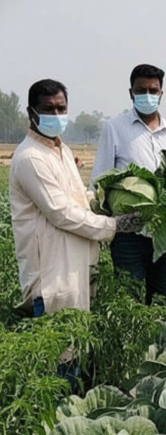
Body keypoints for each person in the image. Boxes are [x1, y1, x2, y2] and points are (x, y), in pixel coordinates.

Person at [10, 79, 141, 387]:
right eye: (48, 109)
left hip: (75, 269)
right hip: (52, 275)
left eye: (61, 108)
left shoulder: (62, 151)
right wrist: (114, 226)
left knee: (75, 351)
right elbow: (61, 213)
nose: (57, 114)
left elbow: (77, 199)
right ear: (31, 113)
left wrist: (106, 201)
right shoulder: (31, 157)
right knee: (58, 364)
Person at [90, 64, 166, 304]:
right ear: (131, 93)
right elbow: (99, 181)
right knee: (128, 302)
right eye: (141, 90)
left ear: (161, 94)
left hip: (165, 233)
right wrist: (109, 222)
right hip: (127, 234)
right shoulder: (115, 128)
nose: (148, 96)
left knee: (163, 300)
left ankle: (159, 342)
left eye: (153, 91)